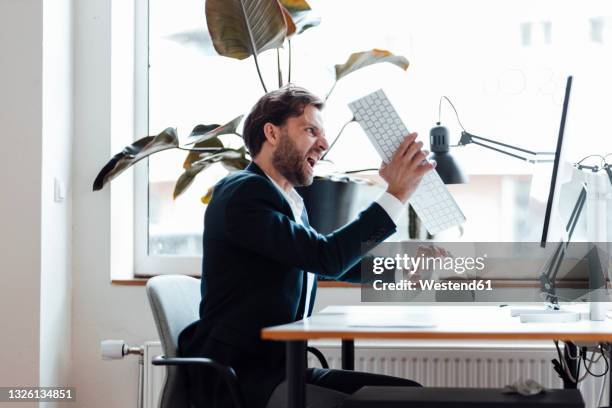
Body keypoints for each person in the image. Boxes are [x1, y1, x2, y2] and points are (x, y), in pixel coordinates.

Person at [178, 84, 435, 408]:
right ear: (272, 133)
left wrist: (404, 272)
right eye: (311, 130)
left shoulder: (287, 201)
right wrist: (395, 193)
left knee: (407, 393)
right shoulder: (242, 194)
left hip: (280, 372)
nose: (324, 144)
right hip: (241, 381)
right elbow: (325, 257)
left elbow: (328, 264)